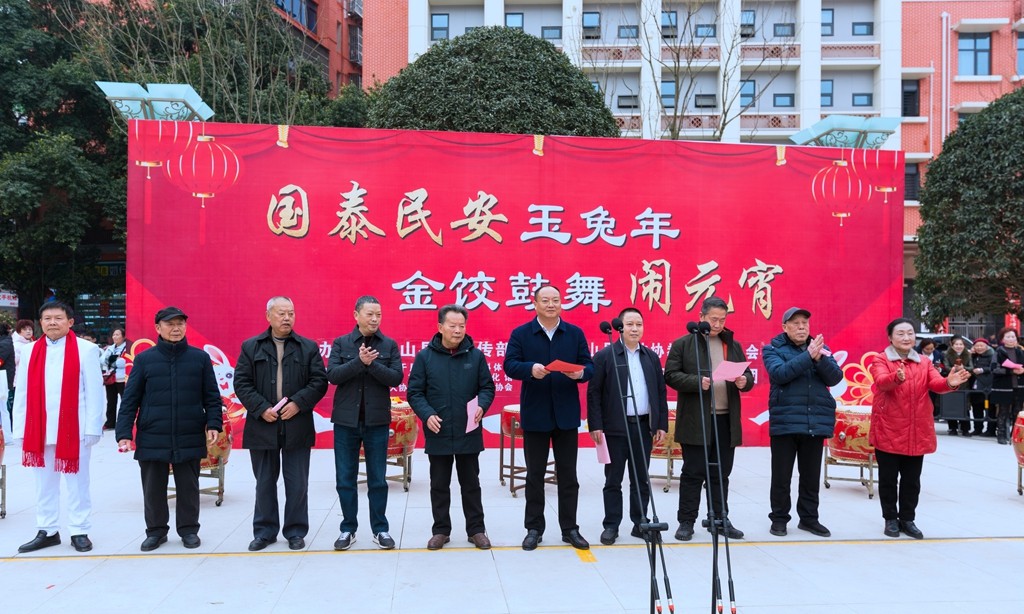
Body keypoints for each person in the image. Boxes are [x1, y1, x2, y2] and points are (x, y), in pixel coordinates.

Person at [115, 307, 223, 551]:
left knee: (188, 487)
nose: (176, 329)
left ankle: (189, 530)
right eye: (170, 324)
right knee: (153, 488)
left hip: (189, 431)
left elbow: (212, 396)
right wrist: (123, 433)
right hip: (153, 433)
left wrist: (214, 423)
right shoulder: (144, 360)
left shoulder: (199, 358)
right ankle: (156, 531)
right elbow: (130, 400)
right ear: (158, 328)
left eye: (180, 324)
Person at [233, 297, 328, 551]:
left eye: (291, 313)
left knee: (297, 483)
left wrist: (298, 403)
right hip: (262, 425)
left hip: (297, 424)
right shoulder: (251, 347)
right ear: (268, 316)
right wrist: (260, 408)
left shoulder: (307, 347)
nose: (287, 318)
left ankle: (295, 531)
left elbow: (319, 381)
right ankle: (264, 532)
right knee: (264, 482)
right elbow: (241, 382)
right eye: (281, 313)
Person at [504, 285, 594, 551]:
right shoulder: (521, 333)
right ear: (535, 303)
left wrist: (580, 374)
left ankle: (570, 528)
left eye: (556, 300)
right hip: (536, 414)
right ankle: (534, 528)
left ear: (561, 303)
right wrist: (530, 369)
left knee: (568, 476)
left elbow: (589, 366)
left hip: (566, 415)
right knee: (535, 475)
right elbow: (510, 365)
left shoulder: (574, 333)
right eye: (545, 300)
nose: (551, 304)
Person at [12, 302, 104, 553]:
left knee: (77, 484)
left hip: (75, 429)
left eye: (58, 318)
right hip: (39, 429)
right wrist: (20, 429)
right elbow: (22, 392)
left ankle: (79, 530)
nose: (52, 322)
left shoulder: (86, 349)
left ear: (70, 322)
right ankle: (48, 529)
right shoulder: (30, 351)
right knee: (44, 484)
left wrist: (93, 427)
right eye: (47, 318)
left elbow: (95, 392)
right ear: (40, 323)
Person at [868, 318, 970, 539]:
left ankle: (908, 519)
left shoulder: (924, 361)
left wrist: (950, 382)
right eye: (901, 333)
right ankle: (890, 519)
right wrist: (896, 377)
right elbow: (882, 382)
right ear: (890, 337)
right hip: (889, 428)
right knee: (888, 480)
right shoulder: (881, 359)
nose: (906, 337)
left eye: (910, 333)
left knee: (912, 480)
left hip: (917, 429)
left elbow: (936, 384)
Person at [665, 296, 754, 541]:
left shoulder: (731, 344)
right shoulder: (684, 344)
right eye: (713, 319)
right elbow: (670, 375)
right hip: (697, 420)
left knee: (721, 474)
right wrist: (696, 382)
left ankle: (719, 519)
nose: (717, 324)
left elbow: (747, 374)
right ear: (701, 317)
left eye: (722, 320)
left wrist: (744, 381)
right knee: (693, 472)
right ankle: (686, 521)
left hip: (725, 420)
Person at [407, 304, 495, 550]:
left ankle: (476, 530)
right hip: (439, 430)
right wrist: (427, 414)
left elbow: (487, 387)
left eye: (462, 326)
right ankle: (441, 530)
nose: (458, 330)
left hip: (469, 430)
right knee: (439, 484)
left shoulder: (476, 356)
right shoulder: (425, 357)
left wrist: (482, 405)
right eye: (452, 325)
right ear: (440, 327)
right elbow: (415, 392)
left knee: (471, 484)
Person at [327, 295, 404, 550]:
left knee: (378, 479)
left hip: (377, 421)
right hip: (346, 422)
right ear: (356, 315)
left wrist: (371, 365)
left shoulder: (389, 345)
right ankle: (347, 529)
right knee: (345, 478)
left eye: (378, 315)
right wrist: (359, 362)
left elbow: (396, 378)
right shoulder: (341, 343)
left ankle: (380, 529)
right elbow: (333, 375)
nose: (374, 319)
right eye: (370, 314)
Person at [587, 307, 668, 545]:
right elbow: (594, 393)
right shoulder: (605, 356)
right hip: (614, 429)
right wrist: (596, 424)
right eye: (629, 324)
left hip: (642, 426)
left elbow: (660, 392)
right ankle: (611, 525)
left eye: (639, 324)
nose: (634, 329)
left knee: (641, 478)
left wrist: (660, 423)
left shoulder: (650, 357)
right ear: (620, 328)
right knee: (613, 479)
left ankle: (640, 523)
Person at [762, 307, 843, 538]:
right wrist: (808, 356)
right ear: (784, 327)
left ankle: (809, 519)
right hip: (785, 422)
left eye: (804, 323)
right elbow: (780, 373)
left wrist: (818, 359)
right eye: (795, 323)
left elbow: (835, 378)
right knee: (781, 476)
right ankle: (779, 519)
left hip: (814, 421)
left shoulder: (821, 350)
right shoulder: (773, 349)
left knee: (810, 476)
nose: (801, 327)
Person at [991, 327, 1024, 445]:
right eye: (1008, 337)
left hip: (1019, 387)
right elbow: (994, 369)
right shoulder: (999, 352)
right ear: (1002, 339)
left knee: (1017, 412)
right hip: (1003, 387)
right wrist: (1011, 371)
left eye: (1013, 337)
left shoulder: (1020, 352)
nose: (1011, 339)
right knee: (1003, 411)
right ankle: (1001, 435)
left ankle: (1015, 435)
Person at [940, 335, 973, 436]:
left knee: (965, 406)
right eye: (956, 344)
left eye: (961, 344)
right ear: (952, 345)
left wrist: (963, 368)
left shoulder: (968, 354)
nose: (959, 346)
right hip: (952, 380)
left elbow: (971, 367)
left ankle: (965, 429)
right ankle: (952, 428)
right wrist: (955, 369)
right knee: (952, 404)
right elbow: (946, 367)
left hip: (964, 382)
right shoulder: (946, 354)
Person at [101, 327, 129, 430]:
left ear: (123, 336)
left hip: (122, 379)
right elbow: (102, 360)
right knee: (111, 402)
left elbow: (124, 363)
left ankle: (124, 423)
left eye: (117, 334)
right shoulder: (110, 348)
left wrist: (111, 360)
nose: (115, 337)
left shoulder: (127, 348)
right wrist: (116, 359)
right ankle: (110, 423)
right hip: (110, 378)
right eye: (114, 335)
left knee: (125, 402)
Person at [968, 338, 996, 437]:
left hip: (987, 385)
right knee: (976, 407)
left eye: (981, 346)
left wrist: (982, 370)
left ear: (987, 346)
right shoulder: (973, 356)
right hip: (975, 386)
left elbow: (994, 367)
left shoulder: (992, 355)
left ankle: (991, 430)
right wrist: (970, 355)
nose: (979, 348)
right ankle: (977, 428)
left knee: (990, 409)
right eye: (977, 346)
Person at [8, 319, 34, 428]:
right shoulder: (16, 345)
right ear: (19, 331)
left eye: (30, 329)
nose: (28, 331)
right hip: (18, 381)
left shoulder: (31, 344)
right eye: (25, 329)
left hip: (30, 380)